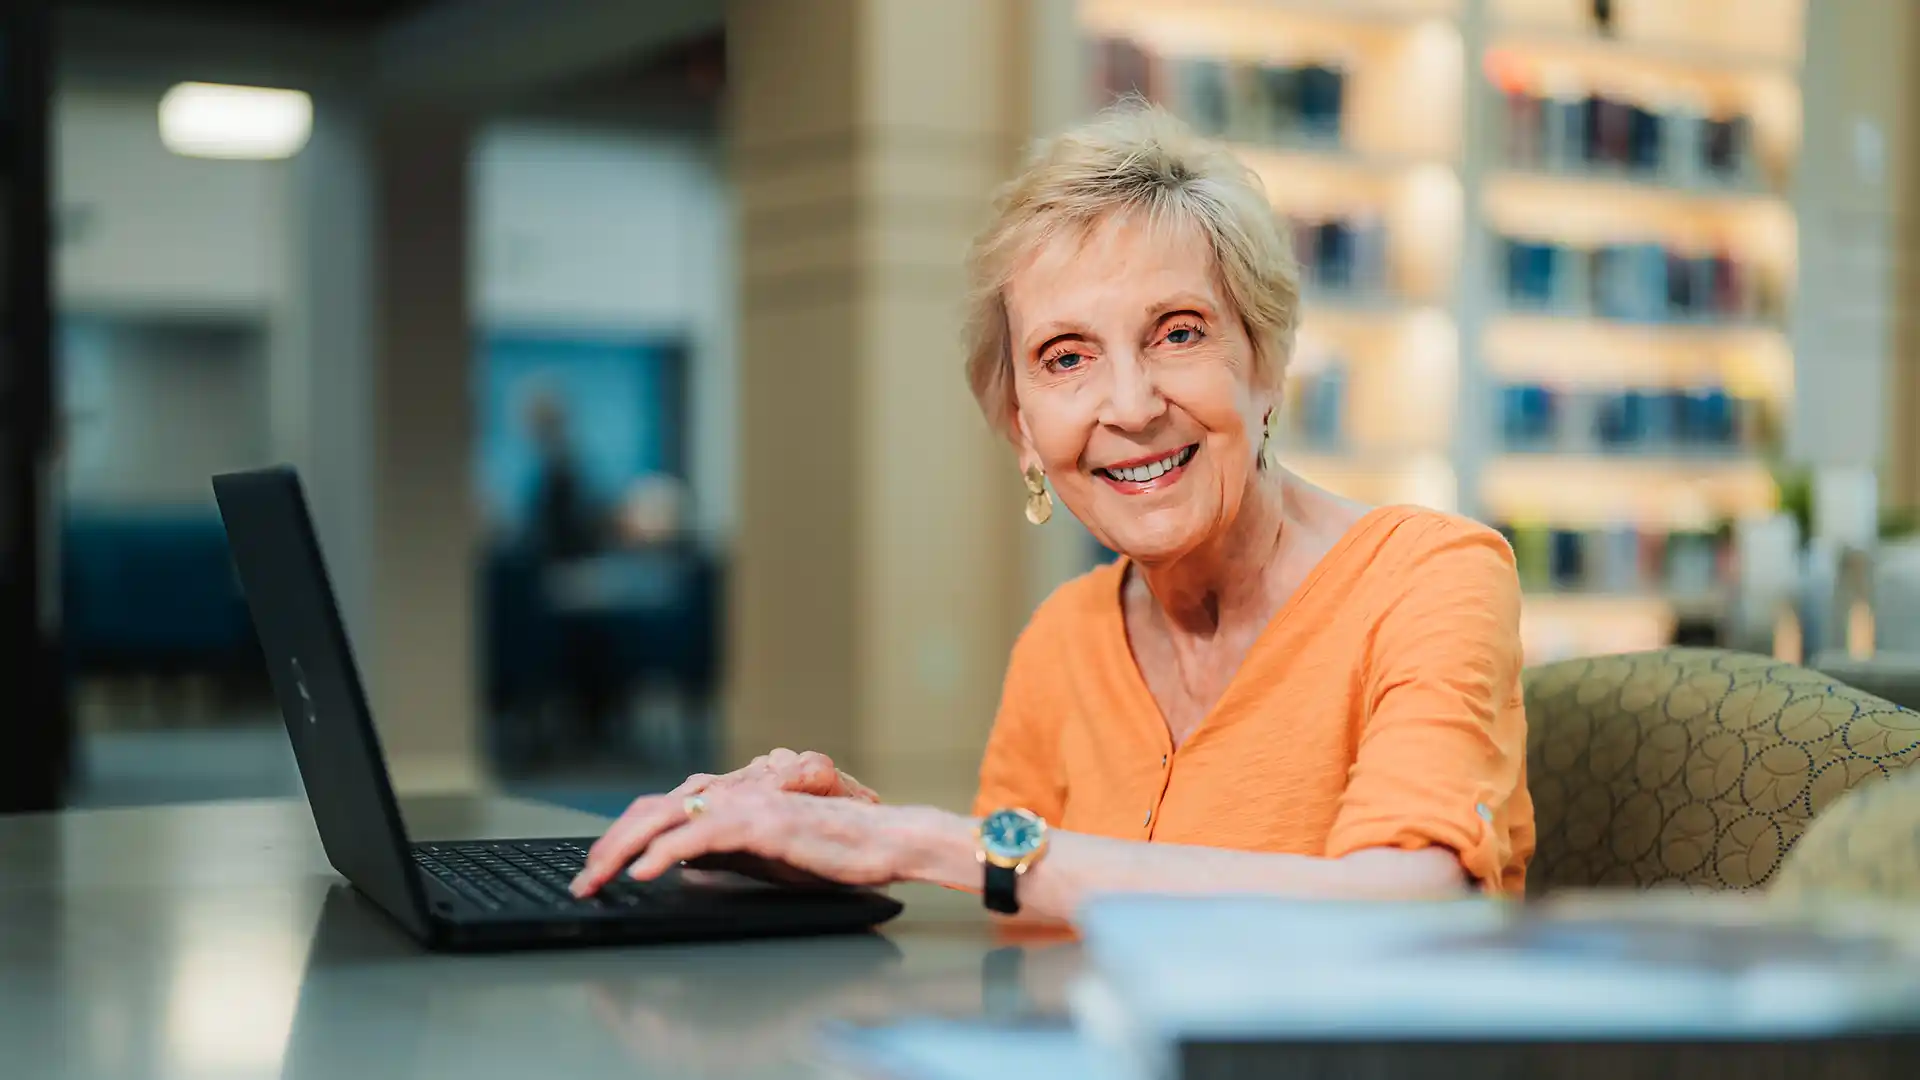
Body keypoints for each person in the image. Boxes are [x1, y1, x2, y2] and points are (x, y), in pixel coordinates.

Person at [571, 103, 1534, 919]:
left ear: (1266, 364)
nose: (1129, 404)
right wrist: (829, 843)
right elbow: (1025, 920)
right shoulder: (1063, 643)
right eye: (1066, 357)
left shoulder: (1429, 575)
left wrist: (918, 839)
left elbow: (1408, 902)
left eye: (1179, 333)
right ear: (1024, 430)